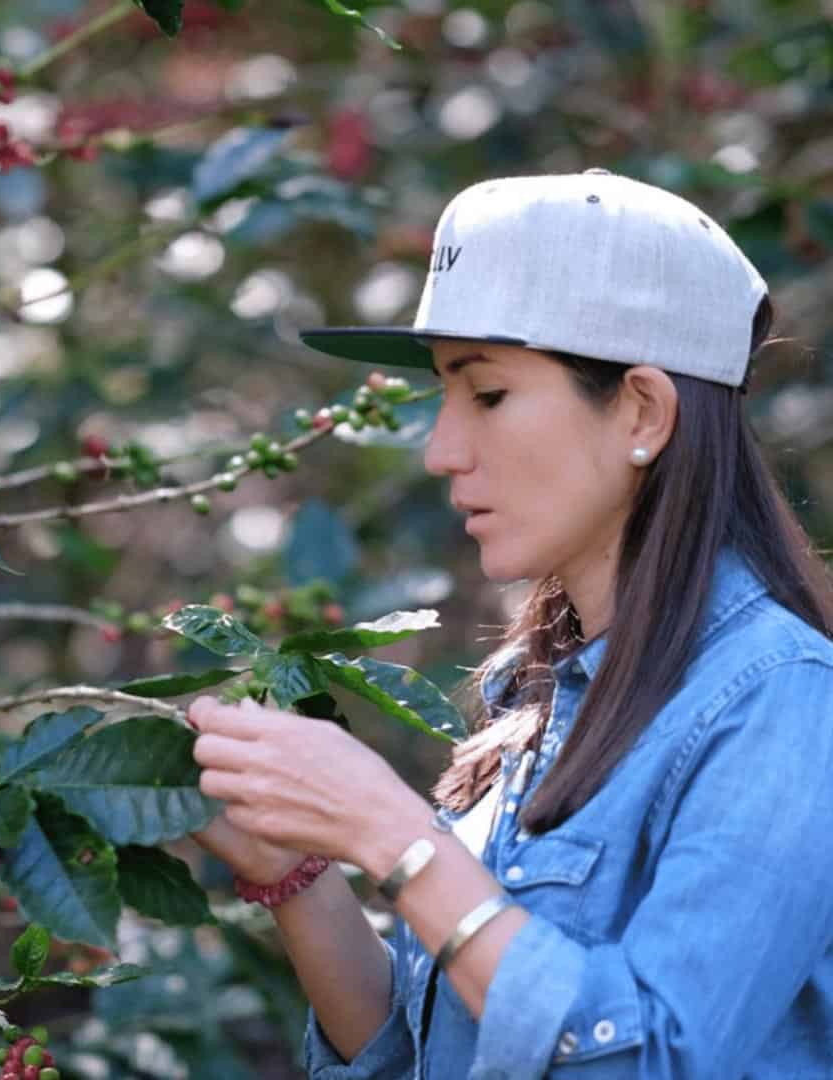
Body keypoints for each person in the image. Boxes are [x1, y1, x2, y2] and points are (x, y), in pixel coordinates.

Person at [186, 170, 833, 1079]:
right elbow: (433, 1051)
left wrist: (393, 832)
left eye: (486, 394)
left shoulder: (782, 701)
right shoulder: (537, 698)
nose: (441, 450)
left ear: (642, 410)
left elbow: (656, 1062)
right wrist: (297, 874)